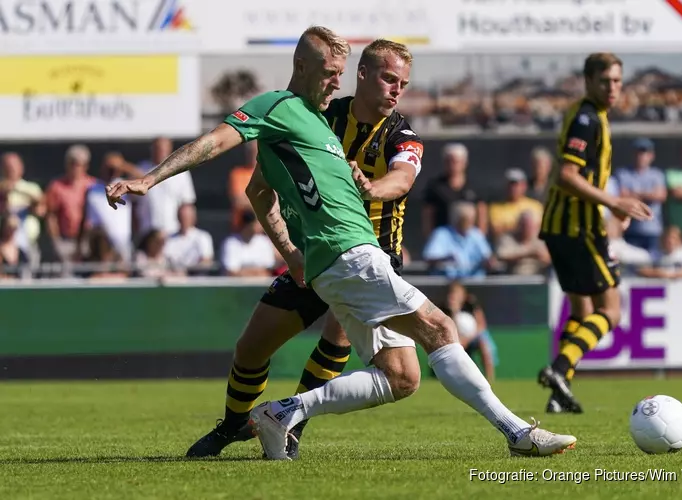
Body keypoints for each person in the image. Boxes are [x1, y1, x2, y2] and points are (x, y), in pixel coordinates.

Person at [107, 26, 576, 460]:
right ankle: (517, 433)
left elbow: (402, 177)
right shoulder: (283, 109)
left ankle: (284, 415)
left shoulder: (382, 130)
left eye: (404, 84)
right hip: (346, 255)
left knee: (403, 376)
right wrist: (150, 180)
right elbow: (219, 143)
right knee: (439, 328)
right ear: (312, 69)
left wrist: (370, 191)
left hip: (362, 255)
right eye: (332, 73)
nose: (337, 83)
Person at [537, 53, 653, 414]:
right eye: (605, 81)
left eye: (617, 80)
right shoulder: (587, 119)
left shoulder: (589, 114)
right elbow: (567, 175)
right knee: (612, 312)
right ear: (588, 81)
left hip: (560, 227)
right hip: (579, 227)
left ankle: (560, 392)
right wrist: (614, 203)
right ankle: (558, 369)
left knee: (581, 309)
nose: (613, 88)